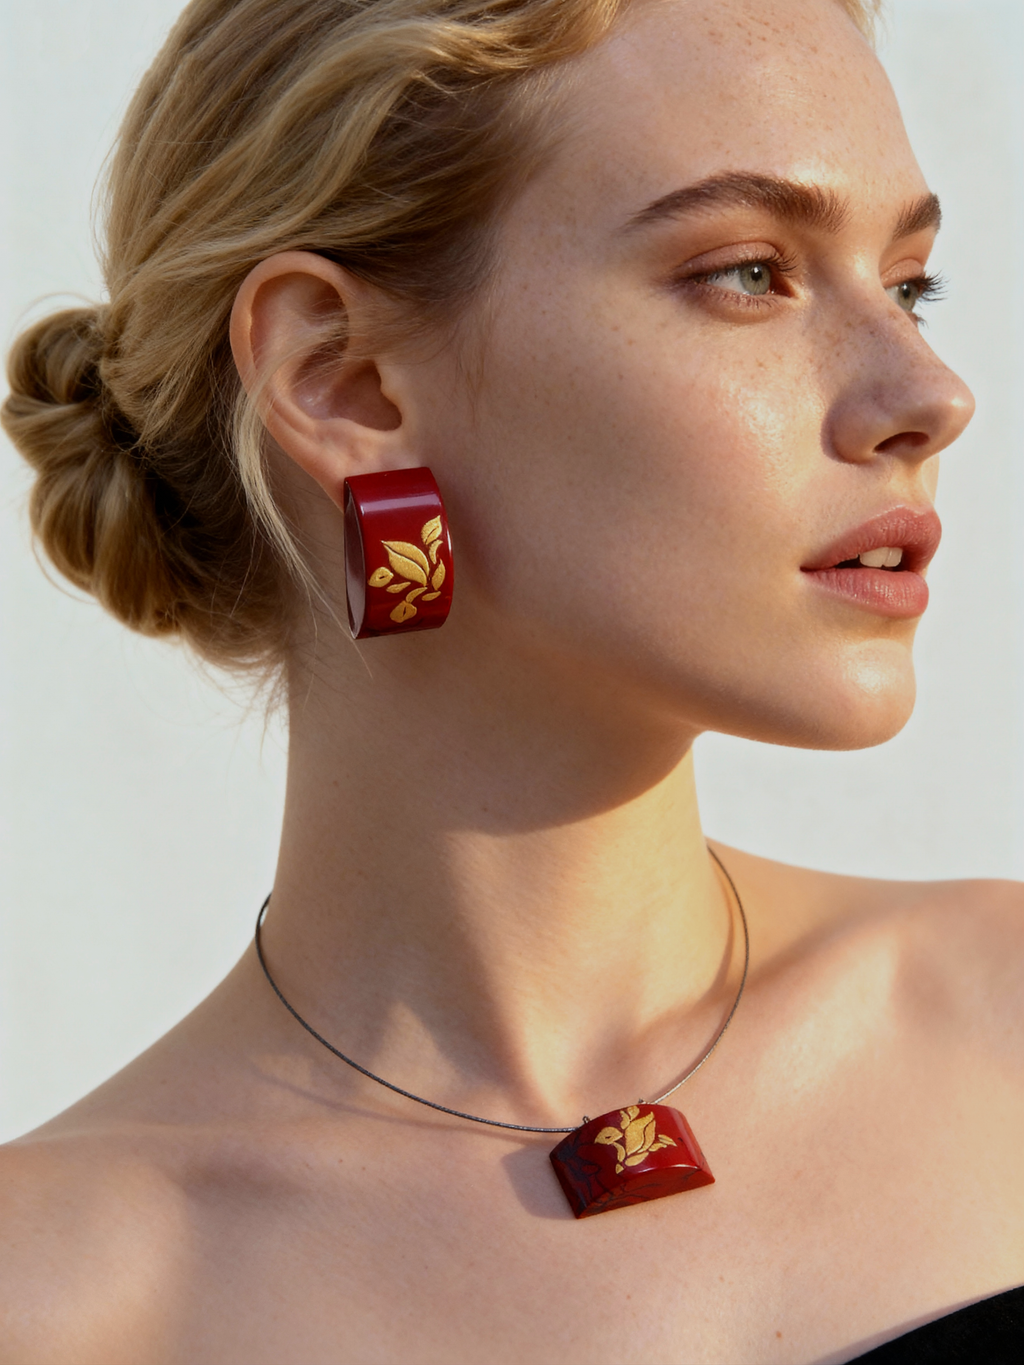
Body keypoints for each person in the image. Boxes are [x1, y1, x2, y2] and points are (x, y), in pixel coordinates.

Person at [1, 0, 1021, 1359]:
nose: (929, 390)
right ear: (346, 382)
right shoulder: (59, 1301)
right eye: (750, 274)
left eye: (908, 282)